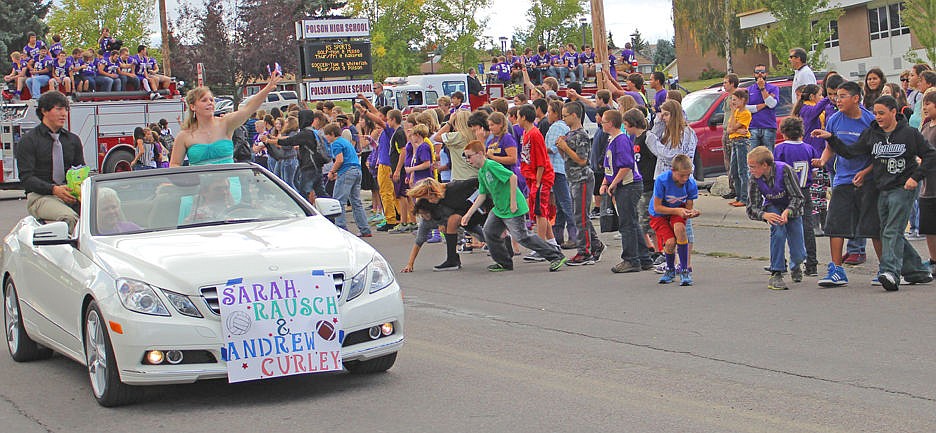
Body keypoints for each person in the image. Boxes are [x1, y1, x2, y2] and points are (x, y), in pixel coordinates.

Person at [813, 95, 936, 291]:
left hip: (903, 187)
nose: (877, 117)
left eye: (882, 113)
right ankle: (917, 271)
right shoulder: (872, 134)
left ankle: (889, 273)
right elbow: (852, 152)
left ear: (893, 112)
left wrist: (916, 176)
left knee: (891, 230)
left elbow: (930, 155)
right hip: (881, 188)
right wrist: (831, 139)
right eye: (876, 113)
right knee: (887, 230)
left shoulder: (909, 134)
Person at [810, 81, 882, 288]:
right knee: (835, 225)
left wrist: (866, 172)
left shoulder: (869, 120)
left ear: (856, 98)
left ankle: (885, 267)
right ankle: (836, 270)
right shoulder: (834, 120)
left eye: (842, 96)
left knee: (873, 226)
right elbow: (830, 147)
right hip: (842, 179)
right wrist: (823, 160)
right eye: (835, 96)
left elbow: (877, 153)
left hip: (867, 181)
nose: (837, 100)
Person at [461, 140, 568, 272]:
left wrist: (513, 202)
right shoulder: (482, 172)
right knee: (489, 231)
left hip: (512, 207)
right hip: (499, 209)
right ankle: (504, 262)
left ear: (479, 154)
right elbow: (482, 195)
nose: (468, 160)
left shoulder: (491, 165)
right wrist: (468, 214)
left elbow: (512, 177)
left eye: (469, 156)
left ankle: (556, 256)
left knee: (522, 237)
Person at [170, 70, 282, 167]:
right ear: (192, 106)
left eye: (211, 100)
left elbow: (247, 109)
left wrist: (268, 88)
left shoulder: (226, 123)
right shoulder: (184, 135)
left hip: (229, 186)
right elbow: (174, 164)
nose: (210, 103)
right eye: (204, 100)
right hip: (200, 188)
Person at [14, 91, 85, 232]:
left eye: (66, 109)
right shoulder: (28, 141)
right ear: (44, 111)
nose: (64, 113)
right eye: (59, 109)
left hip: (70, 193)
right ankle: (71, 253)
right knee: (70, 218)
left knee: (108, 202)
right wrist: (54, 189)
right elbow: (26, 179)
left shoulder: (73, 140)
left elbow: (81, 170)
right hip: (40, 196)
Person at [746, 145, 807, 290]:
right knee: (778, 233)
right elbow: (751, 208)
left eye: (753, 166)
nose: (751, 170)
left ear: (765, 165)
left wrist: (788, 211)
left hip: (792, 208)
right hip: (773, 206)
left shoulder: (785, 170)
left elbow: (798, 197)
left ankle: (796, 264)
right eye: (749, 167)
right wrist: (764, 214)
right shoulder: (754, 179)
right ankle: (777, 272)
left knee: (799, 252)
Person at [600, 110, 650, 274]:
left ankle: (631, 259)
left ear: (611, 123)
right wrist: (605, 182)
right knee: (632, 222)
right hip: (622, 184)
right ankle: (644, 258)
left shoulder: (621, 140)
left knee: (627, 224)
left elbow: (626, 165)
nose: (601, 123)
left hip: (629, 185)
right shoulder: (612, 139)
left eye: (604, 121)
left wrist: (613, 183)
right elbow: (611, 165)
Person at [402, 178, 487, 272]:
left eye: (429, 198)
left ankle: (453, 259)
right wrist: (410, 264)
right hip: (463, 214)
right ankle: (452, 259)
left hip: (476, 209)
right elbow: (419, 241)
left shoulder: (454, 188)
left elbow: (477, 180)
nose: (430, 201)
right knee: (455, 223)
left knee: (478, 230)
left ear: (433, 193)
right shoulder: (434, 208)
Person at [558, 101, 604, 265]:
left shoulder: (581, 135)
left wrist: (566, 147)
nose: (563, 119)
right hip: (572, 178)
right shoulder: (571, 134)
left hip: (582, 178)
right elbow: (567, 158)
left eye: (565, 116)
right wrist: (561, 147)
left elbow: (582, 160)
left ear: (574, 115)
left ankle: (584, 251)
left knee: (580, 217)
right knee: (581, 215)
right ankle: (595, 244)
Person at [774, 116, 820, 276]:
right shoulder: (808, 149)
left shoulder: (779, 149)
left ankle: (781, 262)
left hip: (786, 193)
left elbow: (775, 171)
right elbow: (814, 171)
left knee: (783, 227)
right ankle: (811, 263)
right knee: (807, 227)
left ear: (783, 132)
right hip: (804, 190)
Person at [649, 154, 699, 285]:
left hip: (678, 209)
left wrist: (691, 213)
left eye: (688, 175)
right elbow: (657, 207)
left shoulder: (690, 183)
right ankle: (670, 269)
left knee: (680, 229)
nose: (685, 178)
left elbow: (688, 208)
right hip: (659, 213)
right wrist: (678, 211)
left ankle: (684, 269)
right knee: (670, 242)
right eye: (682, 175)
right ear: (673, 171)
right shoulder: (662, 181)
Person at [516, 104, 556, 259]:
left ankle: (541, 247)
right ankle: (551, 242)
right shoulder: (526, 133)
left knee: (540, 212)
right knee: (539, 211)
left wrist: (538, 182)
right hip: (531, 178)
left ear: (524, 117)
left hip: (540, 178)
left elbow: (541, 161)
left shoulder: (535, 134)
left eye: (519, 116)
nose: (517, 119)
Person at [322, 123, 371, 237]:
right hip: (357, 171)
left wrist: (332, 171)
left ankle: (341, 228)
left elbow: (339, 160)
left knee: (339, 201)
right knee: (356, 201)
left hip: (347, 171)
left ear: (332, 134)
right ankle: (365, 229)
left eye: (327, 135)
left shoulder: (336, 143)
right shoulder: (345, 142)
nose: (326, 138)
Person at [918, 91, 936, 274]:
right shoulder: (925, 127)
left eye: (929, 104)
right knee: (929, 226)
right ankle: (933, 259)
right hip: (926, 184)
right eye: (924, 104)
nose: (925, 107)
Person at [725, 89, 752, 207]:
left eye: (735, 100)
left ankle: (745, 198)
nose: (733, 102)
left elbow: (733, 127)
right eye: (732, 99)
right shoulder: (735, 112)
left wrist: (734, 128)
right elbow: (729, 128)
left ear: (743, 100)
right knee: (734, 171)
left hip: (741, 142)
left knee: (742, 171)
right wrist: (732, 113)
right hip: (734, 141)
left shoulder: (745, 113)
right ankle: (739, 196)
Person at [746, 64, 780, 150]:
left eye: (762, 72)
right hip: (753, 127)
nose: (760, 74)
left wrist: (762, 89)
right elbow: (747, 108)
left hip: (768, 127)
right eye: (757, 72)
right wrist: (765, 104)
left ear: (766, 74)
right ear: (754, 74)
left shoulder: (773, 88)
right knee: (753, 156)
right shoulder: (749, 90)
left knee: (768, 156)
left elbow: (772, 104)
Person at [720, 74, 740, 200]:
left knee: (735, 162)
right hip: (726, 131)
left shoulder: (737, 97)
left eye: (726, 82)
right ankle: (732, 187)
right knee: (728, 161)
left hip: (734, 132)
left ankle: (738, 189)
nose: (724, 84)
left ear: (732, 83)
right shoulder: (727, 98)